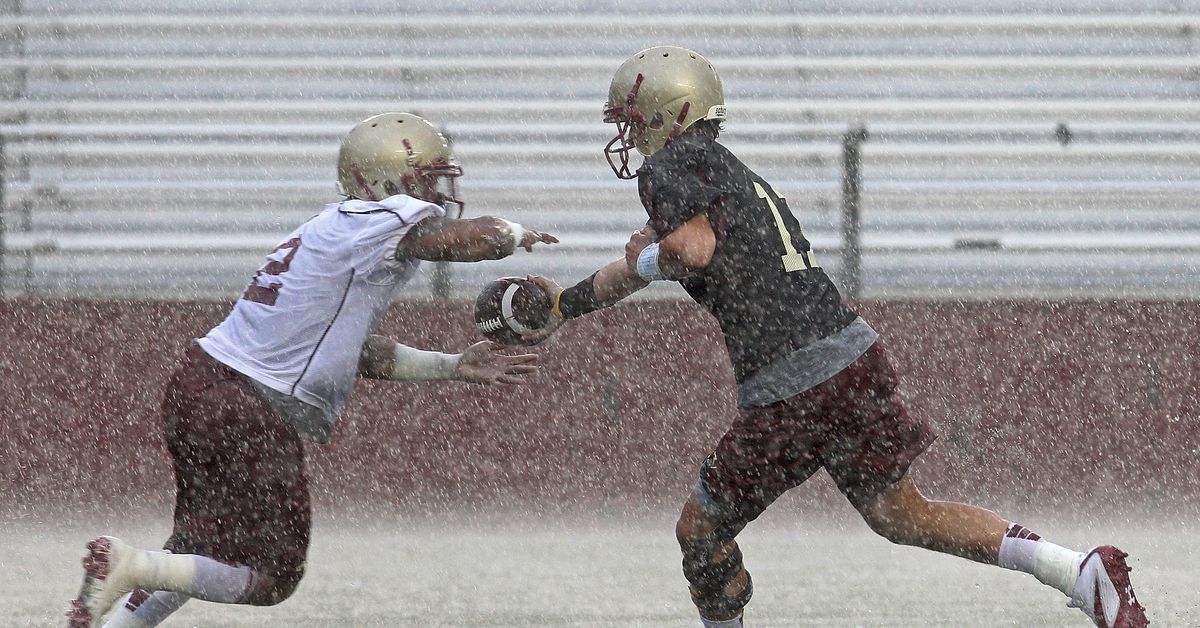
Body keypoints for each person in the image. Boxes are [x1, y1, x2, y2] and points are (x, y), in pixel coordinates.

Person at [525, 46, 1148, 628]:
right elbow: (674, 255)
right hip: (851, 353)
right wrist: (565, 305)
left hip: (790, 380)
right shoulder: (729, 173)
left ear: (670, 114)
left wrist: (650, 260)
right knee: (904, 515)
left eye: (635, 122)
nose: (631, 138)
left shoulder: (672, 164)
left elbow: (690, 249)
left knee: (701, 531)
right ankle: (1078, 571)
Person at [66, 112, 559, 627]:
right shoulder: (382, 219)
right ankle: (126, 564)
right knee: (272, 576)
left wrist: (452, 366)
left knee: (195, 547)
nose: (436, 191)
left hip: (201, 385)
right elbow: (475, 240)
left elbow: (360, 352)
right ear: (385, 179)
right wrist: (517, 234)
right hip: (247, 403)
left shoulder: (334, 232)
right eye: (428, 177)